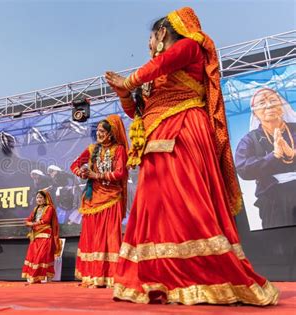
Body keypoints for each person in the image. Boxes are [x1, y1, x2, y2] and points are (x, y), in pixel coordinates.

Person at [105, 7, 279, 305]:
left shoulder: (190, 46)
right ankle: (161, 280)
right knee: (154, 206)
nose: (148, 44)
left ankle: (207, 278)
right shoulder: (154, 75)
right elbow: (138, 112)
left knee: (186, 198)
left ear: (162, 33)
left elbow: (164, 61)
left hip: (183, 127)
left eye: (151, 37)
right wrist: (124, 93)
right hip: (154, 135)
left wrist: (129, 80)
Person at [70, 114, 128, 288]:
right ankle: (92, 276)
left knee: (110, 237)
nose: (99, 134)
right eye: (98, 131)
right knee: (92, 237)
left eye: (102, 131)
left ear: (111, 133)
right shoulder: (91, 149)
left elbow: (120, 174)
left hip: (111, 199)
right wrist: (81, 173)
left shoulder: (119, 150)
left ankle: (111, 277)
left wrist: (97, 175)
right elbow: (74, 165)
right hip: (92, 200)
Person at [235, 88, 296, 229]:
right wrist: (273, 156)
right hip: (273, 198)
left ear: (282, 106)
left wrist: (292, 153)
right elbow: (243, 169)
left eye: (273, 100)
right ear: (255, 113)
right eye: (262, 102)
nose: (269, 105)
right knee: (281, 242)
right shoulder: (249, 140)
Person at [21, 190, 61, 284]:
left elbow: (46, 220)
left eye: (41, 197)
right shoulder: (36, 209)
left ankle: (45, 277)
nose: (38, 199)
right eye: (37, 197)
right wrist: (28, 222)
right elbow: (29, 218)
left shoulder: (49, 208)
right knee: (33, 256)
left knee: (42, 256)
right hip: (35, 236)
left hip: (45, 235)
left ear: (45, 199)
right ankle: (35, 277)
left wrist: (32, 223)